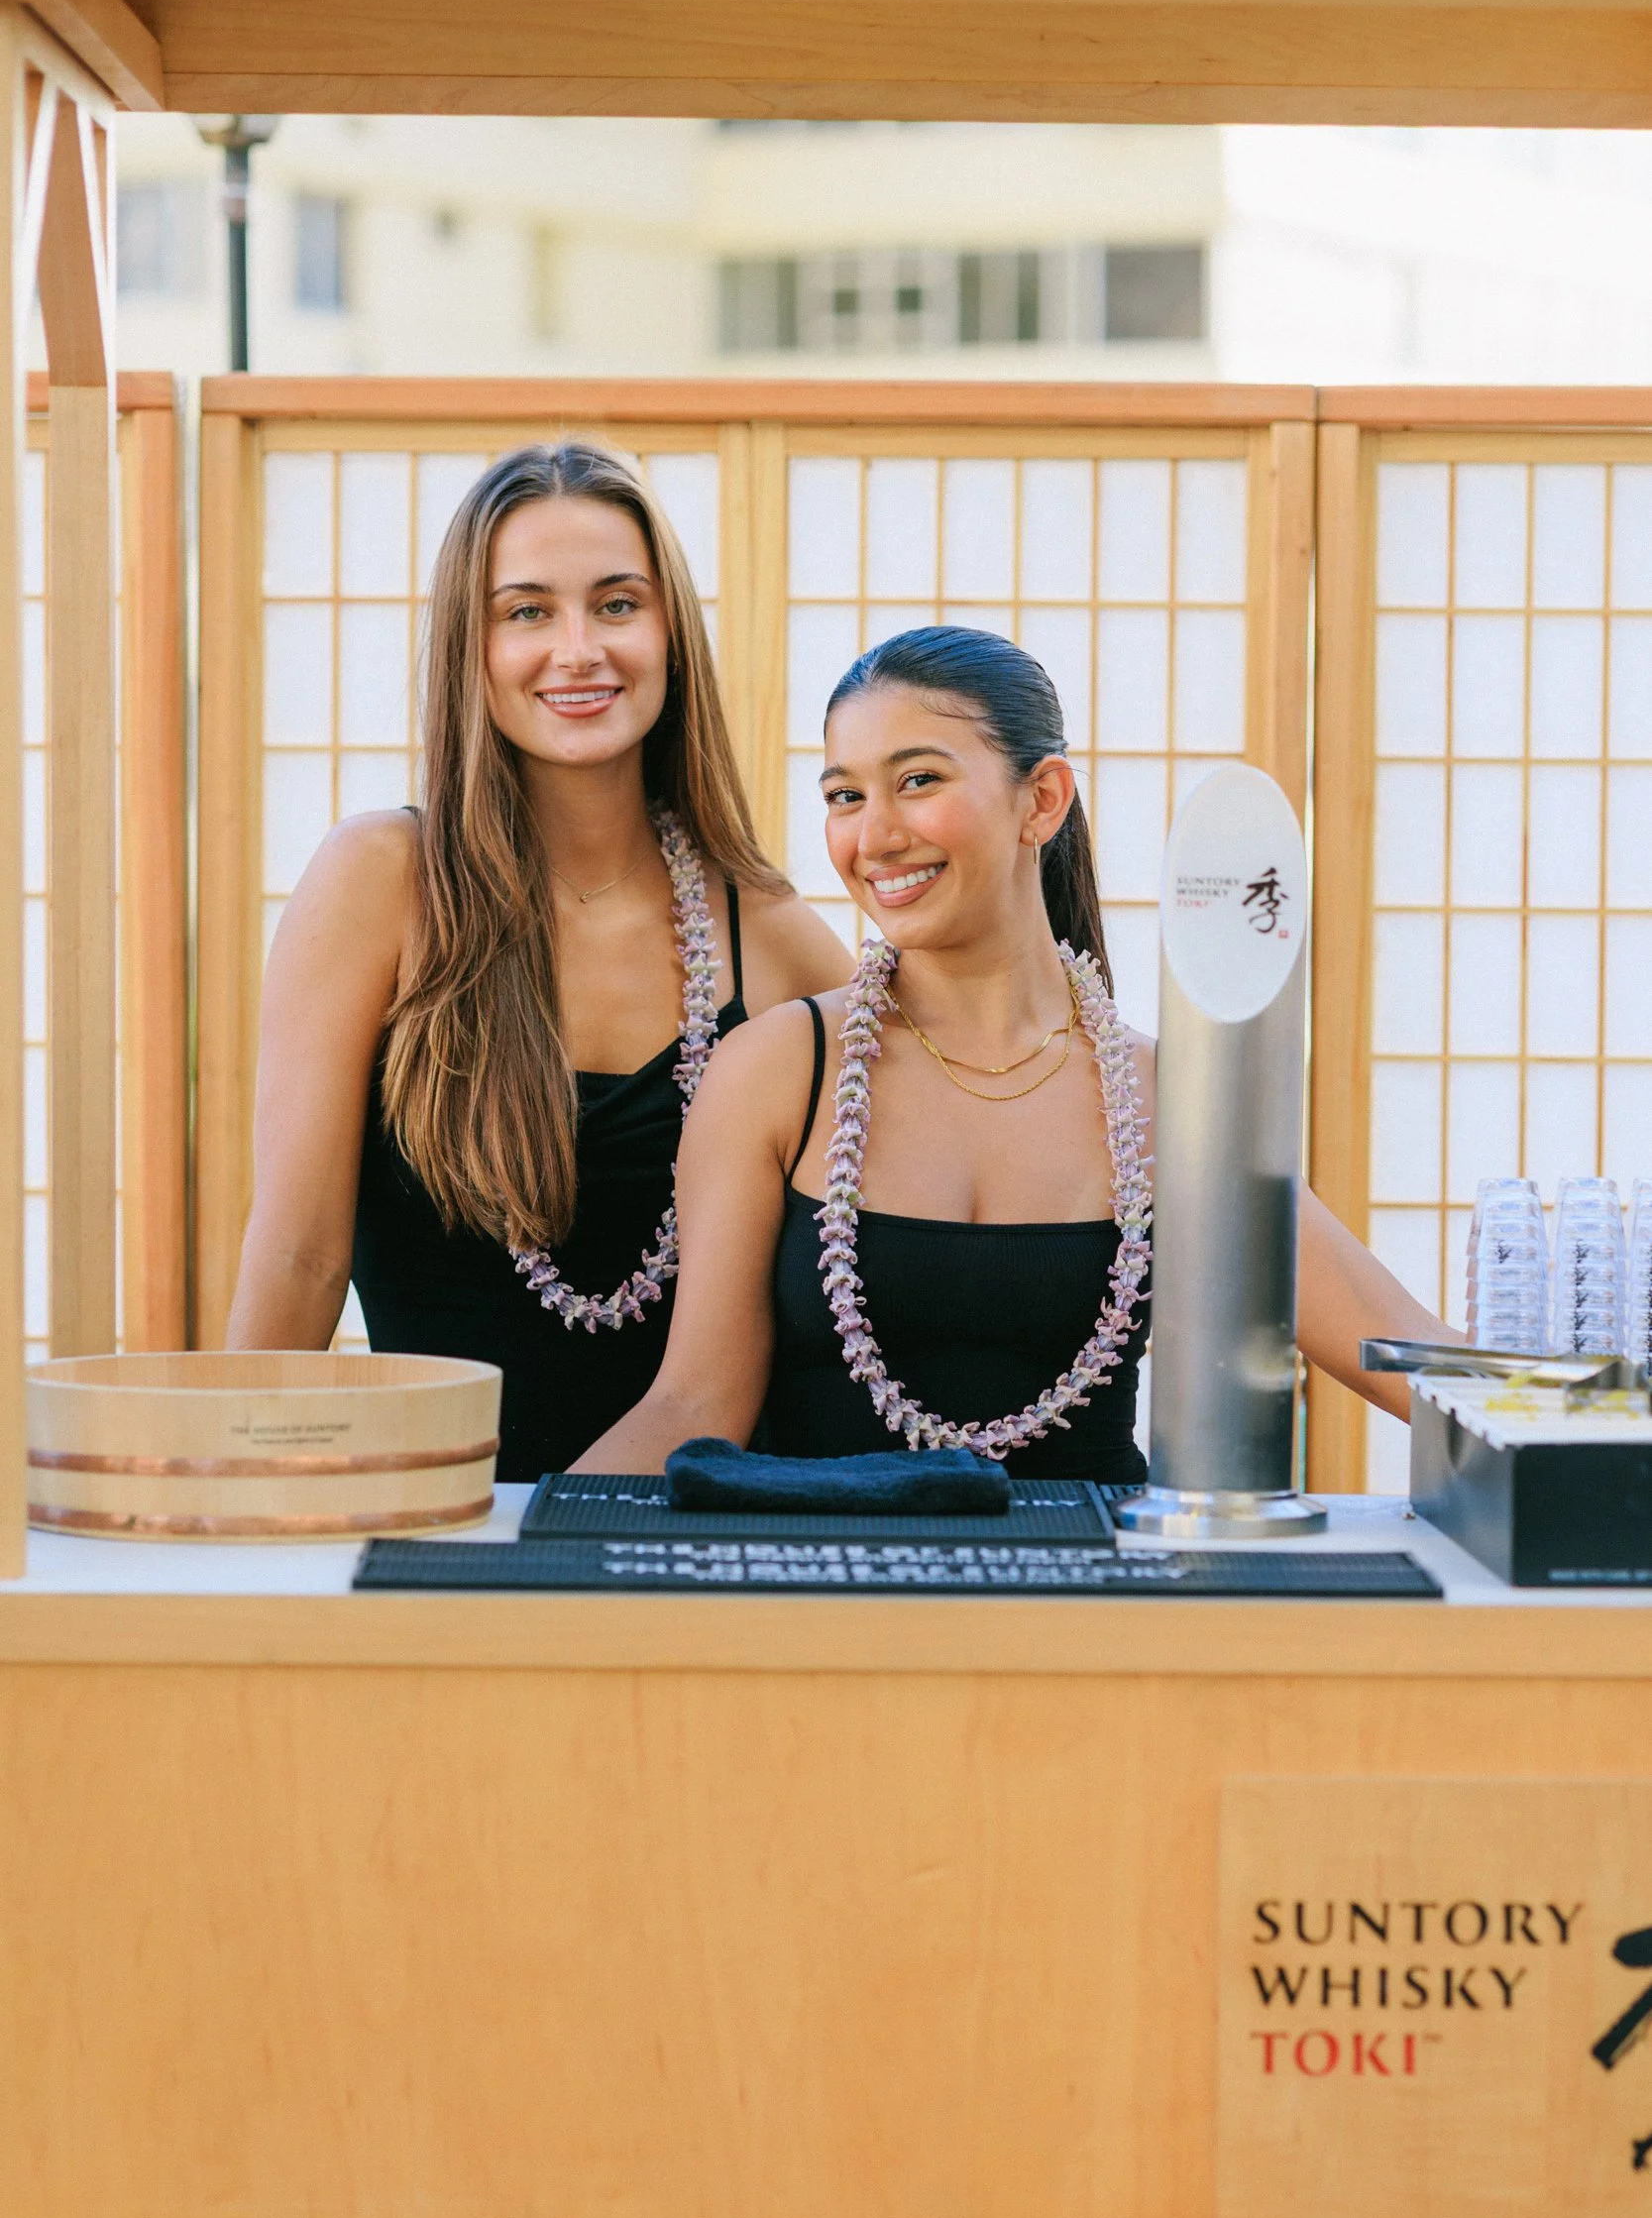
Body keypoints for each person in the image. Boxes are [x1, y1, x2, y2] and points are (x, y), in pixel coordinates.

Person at [575, 625, 1457, 1480]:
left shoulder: (1169, 1099)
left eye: (916, 780)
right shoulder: (777, 1068)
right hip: (823, 1598)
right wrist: (503, 1558)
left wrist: (1581, 1425)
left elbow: (1406, 1357)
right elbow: (693, 1406)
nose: (872, 836)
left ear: (1041, 800)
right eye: (845, 796)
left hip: (1096, 1603)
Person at [226, 440, 850, 1477]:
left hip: (694, 1532)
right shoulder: (379, 882)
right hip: (443, 1527)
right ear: (472, 646)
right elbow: (300, 1256)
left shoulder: (769, 931)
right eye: (526, 611)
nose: (577, 649)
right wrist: (224, 1508)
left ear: (671, 634)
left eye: (616, 604)